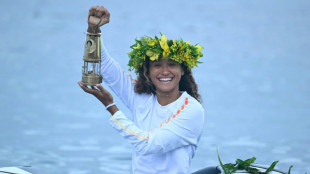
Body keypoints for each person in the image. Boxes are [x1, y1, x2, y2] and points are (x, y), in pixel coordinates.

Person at [78, 6, 205, 174]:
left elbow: (148, 144)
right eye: (157, 65)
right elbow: (105, 66)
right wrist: (93, 30)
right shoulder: (141, 97)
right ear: (148, 72)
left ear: (183, 70)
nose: (165, 72)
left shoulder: (192, 110)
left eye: (172, 65)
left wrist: (111, 107)